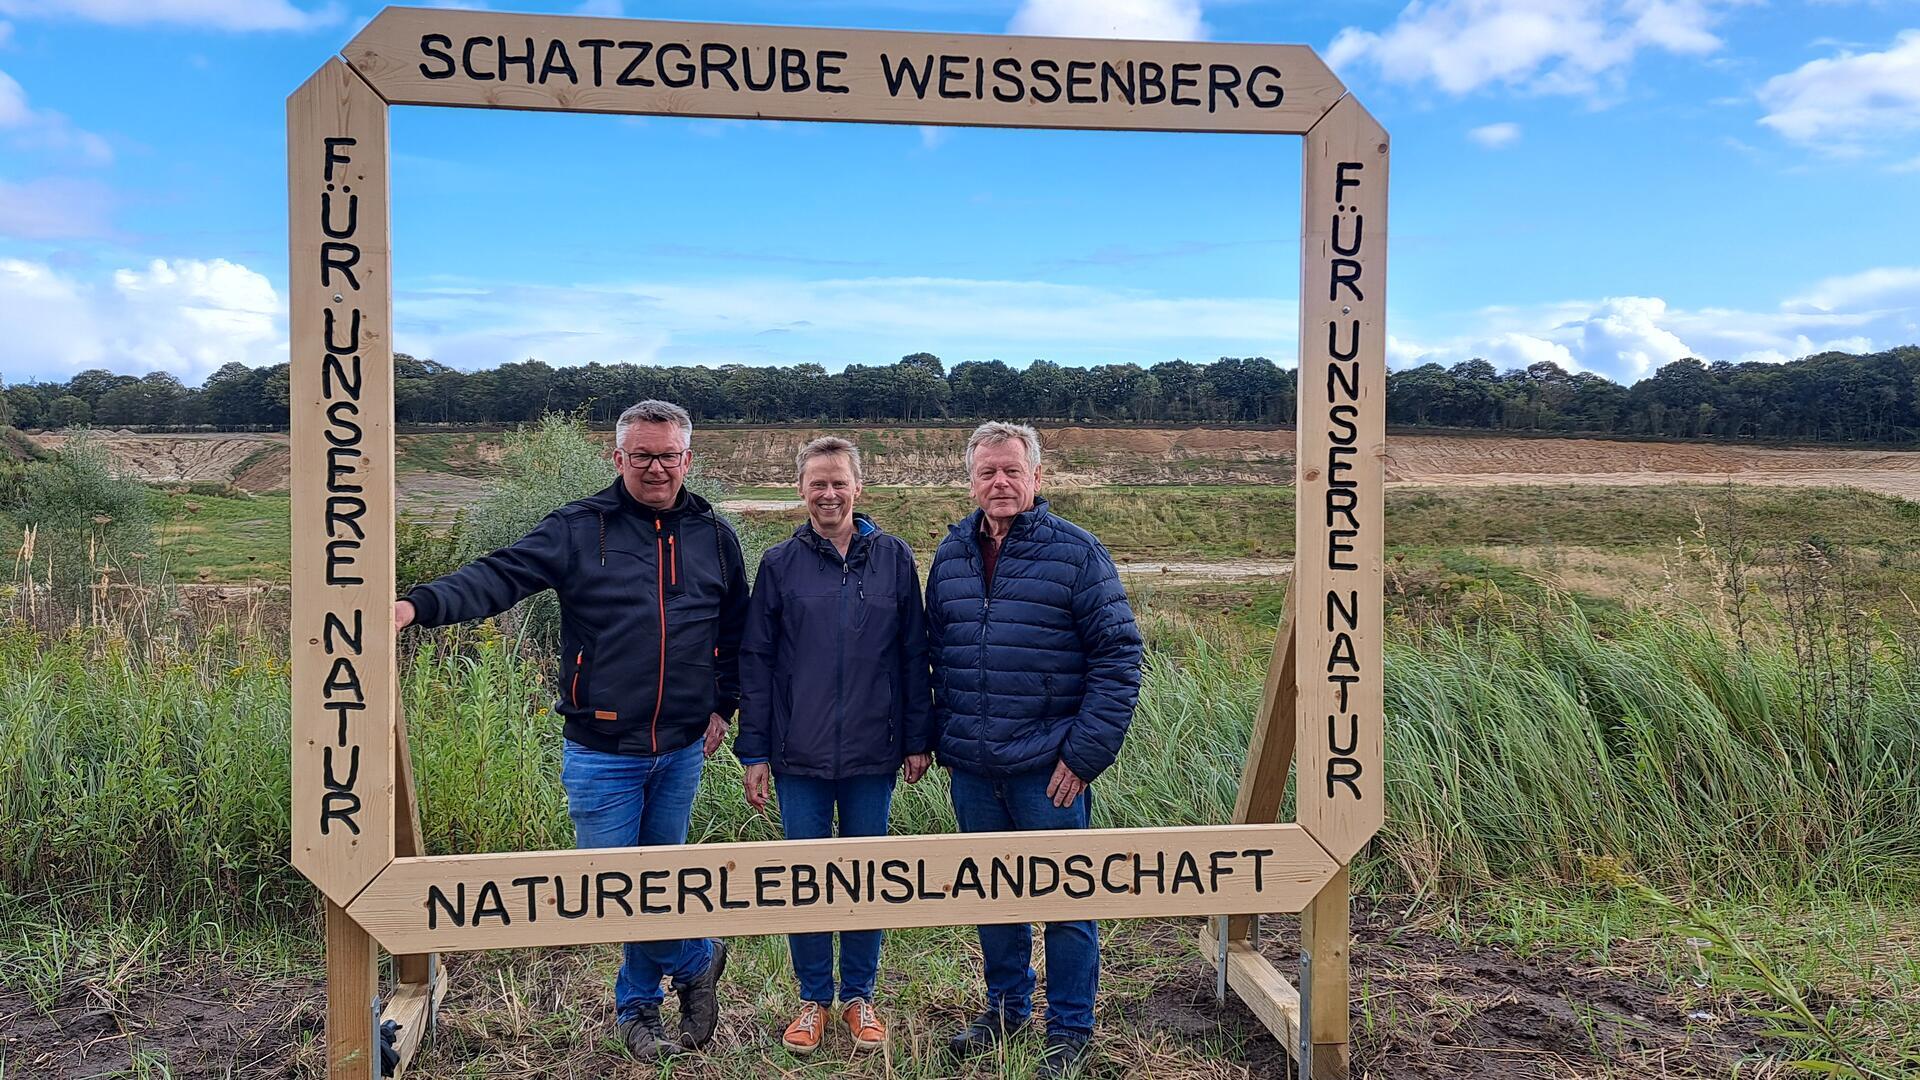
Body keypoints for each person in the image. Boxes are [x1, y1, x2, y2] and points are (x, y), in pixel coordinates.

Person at [392, 400, 747, 1062]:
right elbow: (501, 574)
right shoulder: (581, 529)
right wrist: (417, 605)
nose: (655, 468)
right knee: (612, 892)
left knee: (652, 882)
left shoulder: (715, 537)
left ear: (688, 459)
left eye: (668, 455)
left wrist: (723, 707)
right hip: (602, 752)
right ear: (617, 459)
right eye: (641, 455)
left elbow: (733, 633)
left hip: (681, 749)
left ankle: (638, 1009)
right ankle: (698, 956)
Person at [924, 421, 1143, 1078]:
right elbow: (933, 653)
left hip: (1049, 772)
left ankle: (1070, 1027)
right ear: (970, 480)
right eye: (987, 471)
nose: (999, 482)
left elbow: (1120, 658)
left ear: (1036, 477)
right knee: (994, 895)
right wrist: (934, 739)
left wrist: (1082, 757)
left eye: (1011, 471)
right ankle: (1005, 1009)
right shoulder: (951, 554)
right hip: (972, 768)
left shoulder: (1077, 554)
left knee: (1066, 902)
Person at [735, 435, 934, 1057]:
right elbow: (757, 662)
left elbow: (912, 655)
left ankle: (859, 998)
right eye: (817, 483)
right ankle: (812, 1000)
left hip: (876, 754)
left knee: (866, 877)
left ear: (858, 488)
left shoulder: (896, 559)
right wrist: (756, 751)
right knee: (805, 879)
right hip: (799, 757)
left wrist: (917, 738)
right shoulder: (778, 565)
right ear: (801, 490)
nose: (828, 494)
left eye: (839, 482)